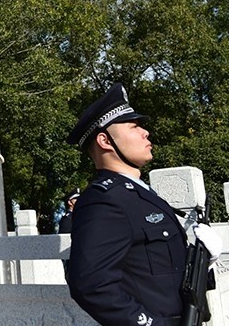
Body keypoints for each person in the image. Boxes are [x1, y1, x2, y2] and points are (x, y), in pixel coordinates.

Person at [66, 83, 222, 326]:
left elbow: (161, 273)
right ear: (105, 140)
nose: (145, 132)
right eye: (134, 126)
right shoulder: (104, 201)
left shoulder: (142, 196)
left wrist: (205, 264)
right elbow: (91, 285)